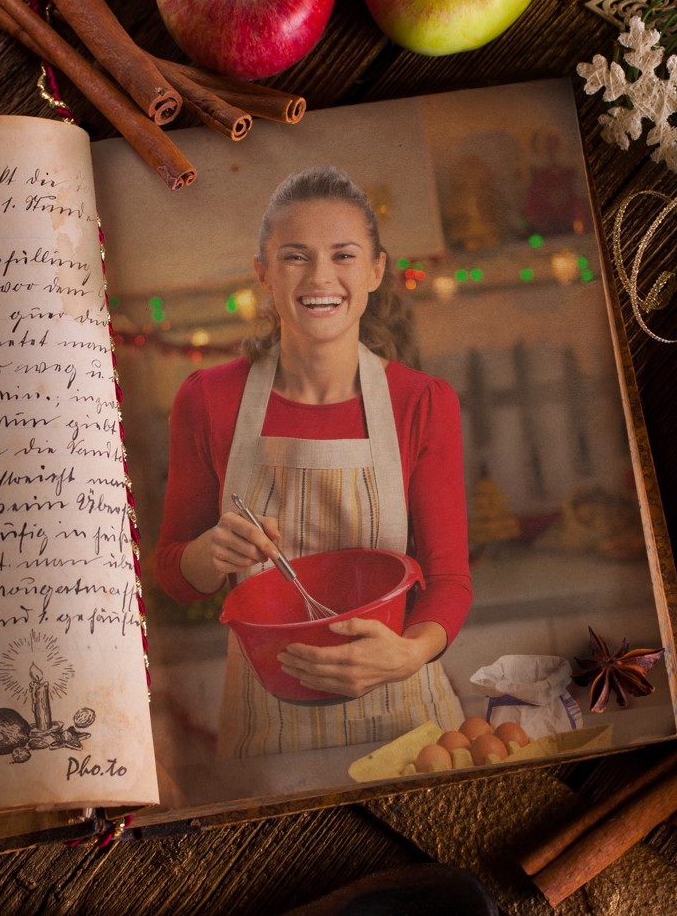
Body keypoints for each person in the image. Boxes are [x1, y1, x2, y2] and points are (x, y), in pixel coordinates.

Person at [155, 165, 472, 758]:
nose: (321, 277)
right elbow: (175, 574)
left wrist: (411, 651)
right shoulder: (208, 399)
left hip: (408, 723)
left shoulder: (422, 404)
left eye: (344, 256)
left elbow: (448, 578)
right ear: (264, 273)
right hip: (265, 736)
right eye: (296, 256)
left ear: (376, 270)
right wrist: (208, 554)